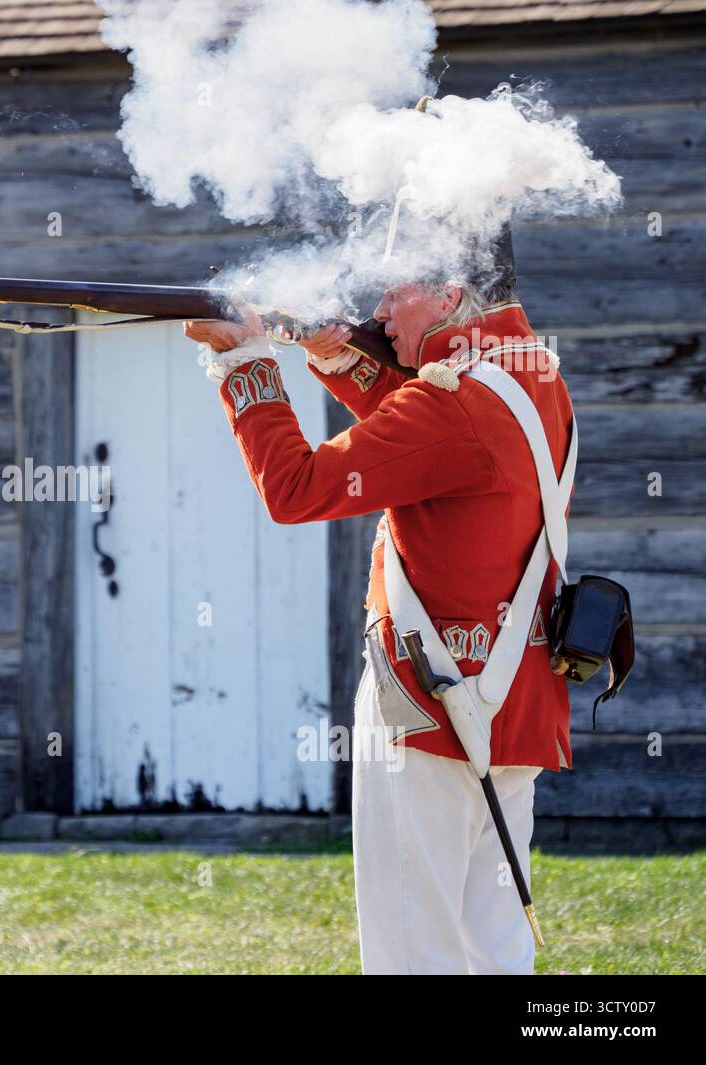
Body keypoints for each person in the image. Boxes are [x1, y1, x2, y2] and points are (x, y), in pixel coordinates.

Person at [184, 258, 575, 975]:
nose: (383, 307)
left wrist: (247, 363)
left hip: (428, 711)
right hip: (510, 704)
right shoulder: (531, 371)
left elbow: (294, 489)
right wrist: (336, 355)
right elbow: (434, 443)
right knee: (490, 949)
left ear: (451, 291)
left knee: (410, 953)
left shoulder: (454, 401)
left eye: (398, 289)